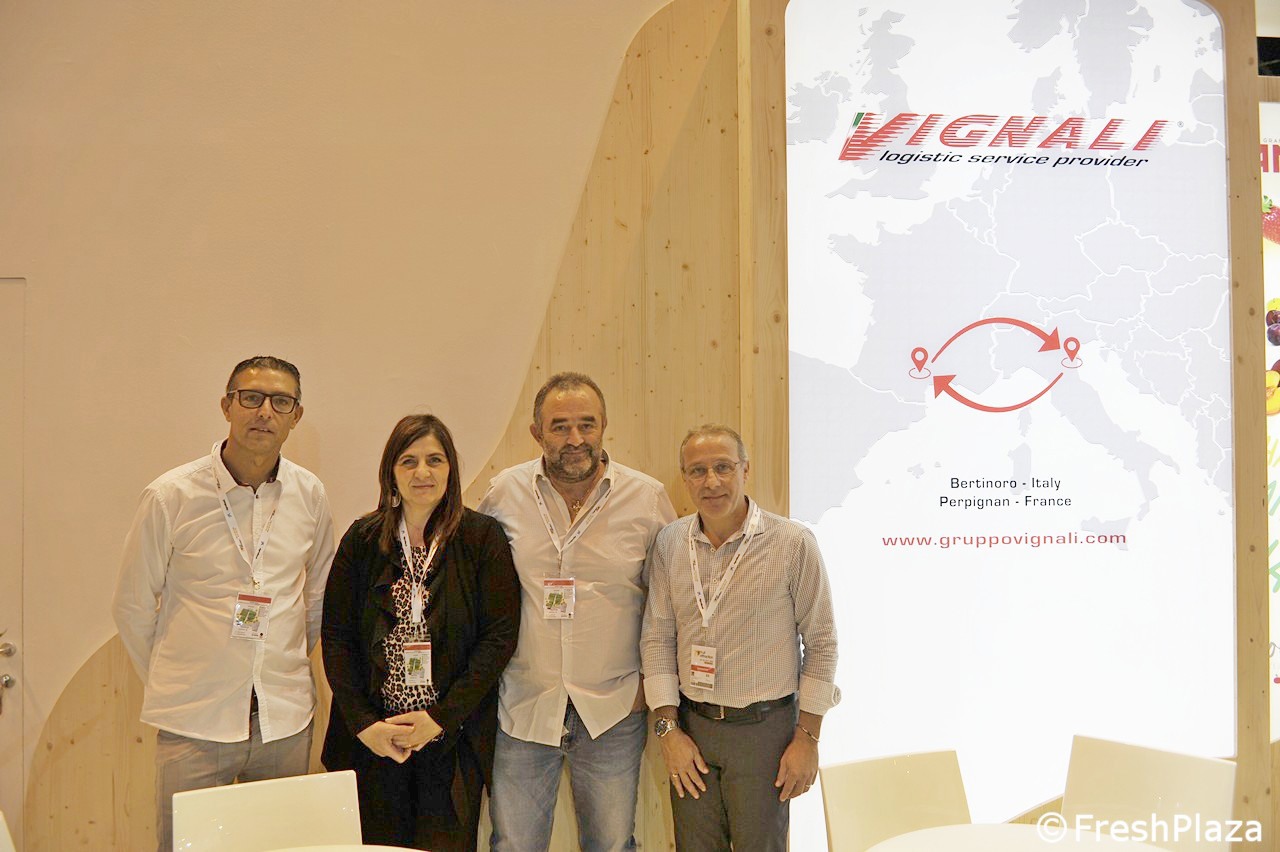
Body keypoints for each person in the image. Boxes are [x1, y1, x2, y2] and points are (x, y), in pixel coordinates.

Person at [112, 355, 336, 852]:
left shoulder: (310, 495)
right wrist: (179, 678)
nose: (264, 412)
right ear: (226, 406)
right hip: (194, 722)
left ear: (296, 416)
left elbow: (319, 596)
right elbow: (132, 604)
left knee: (282, 848)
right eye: (251, 398)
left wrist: (281, 659)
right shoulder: (171, 495)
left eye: (281, 402)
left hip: (283, 721)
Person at [479, 372, 676, 852]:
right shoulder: (504, 493)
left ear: (604, 426)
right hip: (524, 706)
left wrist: (650, 689)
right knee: (513, 845)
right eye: (560, 426)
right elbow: (480, 589)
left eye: (587, 424)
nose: (575, 439)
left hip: (612, 709)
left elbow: (671, 603)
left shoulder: (646, 498)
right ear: (536, 433)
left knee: (611, 844)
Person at [321, 414, 520, 851]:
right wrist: (365, 725)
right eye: (408, 461)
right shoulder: (362, 538)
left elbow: (499, 638)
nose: (422, 472)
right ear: (391, 472)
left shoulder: (481, 538)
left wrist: (439, 719)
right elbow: (336, 638)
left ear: (451, 469)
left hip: (449, 741)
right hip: (373, 743)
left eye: (435, 459)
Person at [640, 424, 840, 852]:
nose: (711, 481)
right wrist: (668, 731)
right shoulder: (670, 543)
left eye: (723, 467)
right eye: (697, 471)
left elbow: (822, 643)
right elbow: (656, 638)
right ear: (685, 478)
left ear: (745, 470)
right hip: (691, 729)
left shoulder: (792, 543)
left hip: (764, 733)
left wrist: (808, 738)